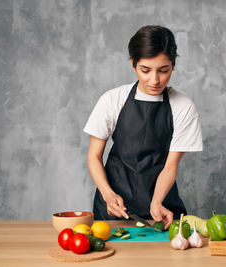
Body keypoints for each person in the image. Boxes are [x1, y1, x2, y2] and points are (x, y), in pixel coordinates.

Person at [83, 25, 202, 229]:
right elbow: (94, 156)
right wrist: (108, 195)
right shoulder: (113, 100)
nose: (154, 80)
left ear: (173, 65)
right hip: (113, 208)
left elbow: (170, 167)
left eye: (163, 71)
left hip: (162, 208)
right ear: (133, 64)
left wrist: (156, 202)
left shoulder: (183, 107)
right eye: (145, 70)